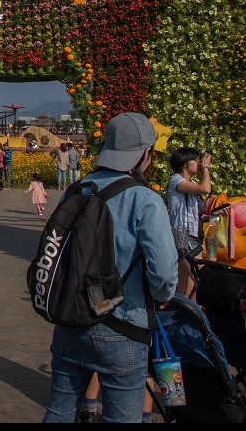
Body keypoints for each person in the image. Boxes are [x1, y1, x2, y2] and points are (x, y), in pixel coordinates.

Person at [42, 112, 177, 423]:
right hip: (122, 324)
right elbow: (165, 276)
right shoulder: (144, 199)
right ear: (146, 154)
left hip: (70, 318)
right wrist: (160, 296)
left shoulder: (75, 190)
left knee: (60, 411)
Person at [166, 147, 213, 299]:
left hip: (194, 237)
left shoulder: (191, 184)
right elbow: (205, 189)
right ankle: (192, 319)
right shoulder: (176, 181)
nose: (200, 163)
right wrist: (206, 167)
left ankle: (176, 317)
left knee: (187, 287)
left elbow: (195, 216)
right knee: (203, 282)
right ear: (185, 164)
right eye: (197, 160)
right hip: (183, 238)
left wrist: (212, 217)